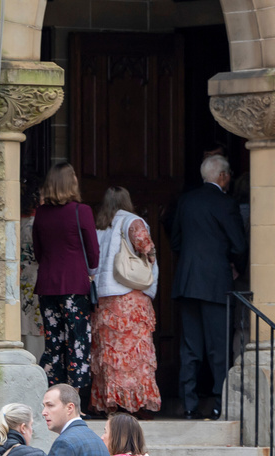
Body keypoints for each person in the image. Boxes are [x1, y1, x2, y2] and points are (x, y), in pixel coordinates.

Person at [172, 154, 248, 420]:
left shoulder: (186, 201)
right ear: (223, 177)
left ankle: (189, 404)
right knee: (218, 347)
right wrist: (235, 265)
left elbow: (176, 241)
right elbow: (239, 244)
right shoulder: (226, 203)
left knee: (190, 348)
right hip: (216, 283)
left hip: (188, 282)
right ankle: (219, 403)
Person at [89, 187, 161, 416]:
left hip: (105, 300)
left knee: (109, 355)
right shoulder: (132, 221)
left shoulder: (100, 227)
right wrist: (151, 258)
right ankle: (136, 404)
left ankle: (112, 402)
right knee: (135, 354)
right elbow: (145, 245)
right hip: (130, 297)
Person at [31, 162, 98, 390]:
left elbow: (38, 251)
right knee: (78, 342)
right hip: (74, 285)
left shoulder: (41, 214)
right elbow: (93, 253)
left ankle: (52, 396)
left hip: (47, 285)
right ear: (71, 183)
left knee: (53, 343)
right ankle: (75, 400)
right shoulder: (82, 211)